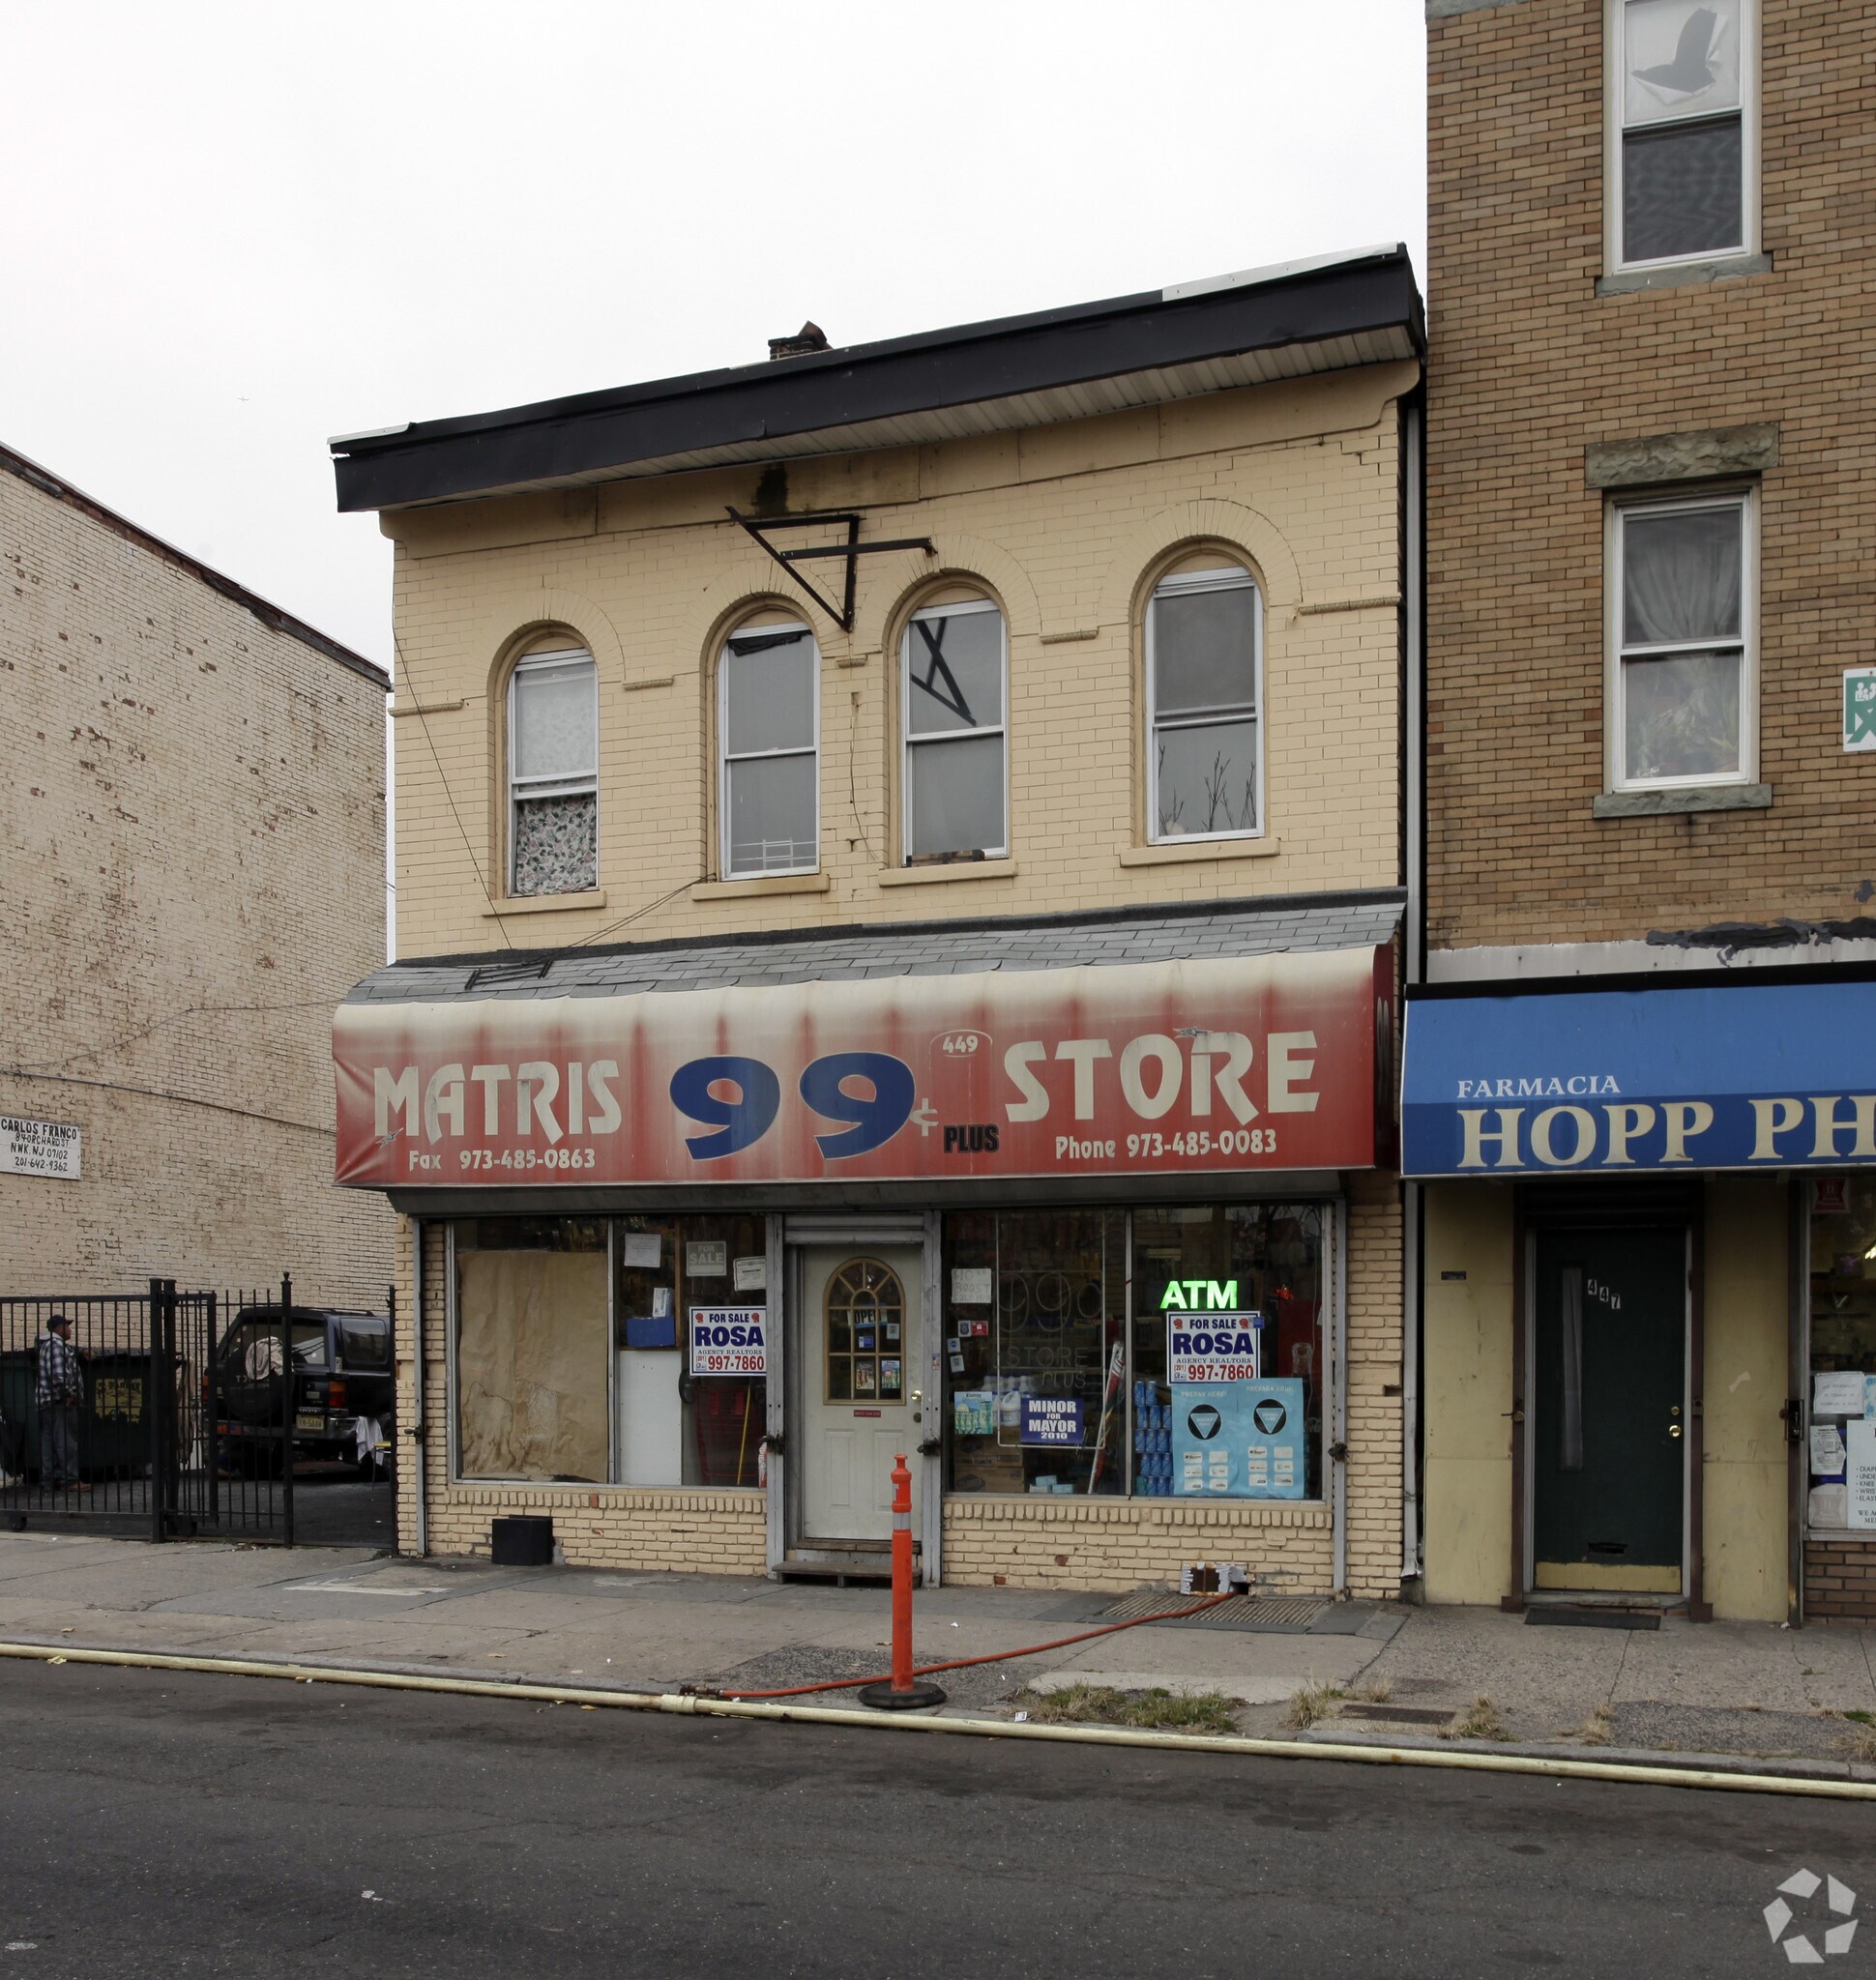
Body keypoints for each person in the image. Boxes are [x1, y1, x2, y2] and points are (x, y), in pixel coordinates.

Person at [36, 1313, 87, 1493]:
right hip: (61, 1402)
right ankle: (70, 1480)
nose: (70, 1329)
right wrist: (69, 1393)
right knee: (66, 1442)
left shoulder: (47, 1345)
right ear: (59, 1329)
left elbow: (69, 1351)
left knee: (49, 1443)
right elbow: (59, 1373)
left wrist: (81, 1350)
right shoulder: (57, 1345)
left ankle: (49, 1481)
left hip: (47, 1403)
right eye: (67, 1326)